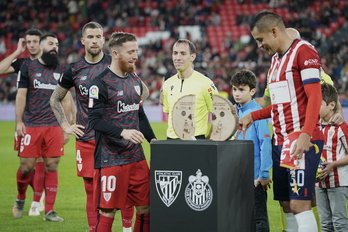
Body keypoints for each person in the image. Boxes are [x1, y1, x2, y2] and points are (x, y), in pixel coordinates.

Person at [238, 11, 324, 231]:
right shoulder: (275, 62)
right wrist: (252, 116)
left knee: (299, 203)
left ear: (274, 31)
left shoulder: (304, 51)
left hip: (301, 140)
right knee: (286, 204)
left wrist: (306, 134)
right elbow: (279, 106)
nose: (259, 46)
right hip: (280, 142)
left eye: (260, 39)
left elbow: (315, 96)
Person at [50, 22, 135, 232]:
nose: (95, 40)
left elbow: (140, 91)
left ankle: (126, 229)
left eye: (98, 36)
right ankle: (93, 229)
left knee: (124, 187)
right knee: (91, 189)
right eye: (90, 37)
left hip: (114, 138)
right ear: (83, 41)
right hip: (87, 138)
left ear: (104, 40)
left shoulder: (116, 63)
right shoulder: (74, 69)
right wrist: (65, 125)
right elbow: (55, 98)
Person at [88, 32, 156, 232]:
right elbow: (94, 121)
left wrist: (153, 140)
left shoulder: (135, 80)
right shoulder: (99, 84)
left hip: (135, 157)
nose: (135, 55)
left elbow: (140, 114)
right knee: (108, 211)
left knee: (145, 207)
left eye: (136, 50)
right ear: (115, 53)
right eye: (130, 52)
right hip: (111, 159)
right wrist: (123, 132)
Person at [14, 33, 72, 222]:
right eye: (50, 43)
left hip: (54, 126)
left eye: (56, 44)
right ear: (40, 46)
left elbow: (65, 98)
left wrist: (66, 126)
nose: (54, 47)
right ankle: (21, 197)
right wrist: (19, 121)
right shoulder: (28, 66)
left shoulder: (62, 70)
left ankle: (49, 210)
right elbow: (21, 95)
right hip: (32, 125)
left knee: (52, 165)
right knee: (26, 167)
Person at [2, 29, 47, 218]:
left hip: (46, 122)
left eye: (35, 41)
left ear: (41, 43)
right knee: (26, 166)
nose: (31, 45)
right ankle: (21, 197)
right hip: (25, 122)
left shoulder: (50, 65)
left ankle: (37, 201)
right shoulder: (22, 64)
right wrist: (16, 52)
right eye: (28, 42)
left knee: (42, 163)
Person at [231, 70, 272, 231]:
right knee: (241, 217)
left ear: (252, 91)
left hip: (254, 176)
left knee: (258, 218)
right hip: (238, 174)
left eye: (242, 90)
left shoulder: (257, 114)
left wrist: (263, 174)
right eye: (234, 89)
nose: (237, 93)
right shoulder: (235, 113)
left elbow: (265, 143)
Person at [161, 39, 219, 139]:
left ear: (192, 57)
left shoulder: (205, 83)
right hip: (171, 142)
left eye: (183, 54)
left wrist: (209, 137)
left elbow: (218, 114)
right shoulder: (167, 84)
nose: (178, 58)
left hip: (195, 141)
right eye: (175, 53)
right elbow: (168, 112)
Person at [315, 82, 348, 232]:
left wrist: (332, 164)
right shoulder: (313, 126)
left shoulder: (341, 127)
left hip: (338, 182)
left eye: (319, 103)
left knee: (339, 223)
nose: (315, 107)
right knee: (325, 224)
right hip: (318, 184)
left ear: (332, 105)